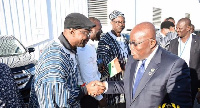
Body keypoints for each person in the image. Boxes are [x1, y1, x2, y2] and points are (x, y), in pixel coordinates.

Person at [97, 22, 192, 108]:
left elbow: (181, 105)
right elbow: (129, 85)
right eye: (130, 43)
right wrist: (104, 86)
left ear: (152, 43)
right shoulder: (132, 59)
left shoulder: (174, 65)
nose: (131, 48)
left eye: (135, 43)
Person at [29, 13, 106, 108]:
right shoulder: (55, 59)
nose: (88, 37)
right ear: (72, 31)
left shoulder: (69, 50)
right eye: (85, 33)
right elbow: (60, 99)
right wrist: (86, 90)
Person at [97, 10, 130, 107]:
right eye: (118, 22)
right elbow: (103, 60)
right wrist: (123, 66)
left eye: (123, 22)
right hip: (112, 81)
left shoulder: (125, 38)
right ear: (111, 22)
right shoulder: (105, 38)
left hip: (125, 80)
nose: (121, 24)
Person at [168, 18, 200, 106]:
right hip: (175, 82)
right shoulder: (173, 43)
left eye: (180, 28)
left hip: (192, 83)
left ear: (188, 28)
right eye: (176, 28)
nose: (177, 30)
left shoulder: (198, 42)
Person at [77, 17, 106, 108]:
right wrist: (100, 98)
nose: (101, 31)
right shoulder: (85, 48)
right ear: (91, 29)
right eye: (99, 29)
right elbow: (87, 76)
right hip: (89, 95)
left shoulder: (90, 46)